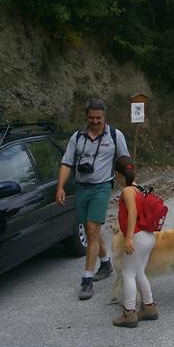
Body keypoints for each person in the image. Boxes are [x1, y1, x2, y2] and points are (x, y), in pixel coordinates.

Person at [56, 98, 130, 301]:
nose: (95, 121)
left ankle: (87, 280)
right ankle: (105, 263)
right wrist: (61, 186)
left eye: (99, 118)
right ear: (86, 117)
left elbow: (125, 163)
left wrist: (129, 190)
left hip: (102, 187)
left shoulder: (115, 135)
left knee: (91, 230)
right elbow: (66, 162)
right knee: (92, 234)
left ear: (104, 117)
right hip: (81, 188)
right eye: (91, 118)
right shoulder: (77, 137)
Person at [112, 156, 158, 328]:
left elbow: (132, 212)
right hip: (148, 236)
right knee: (139, 272)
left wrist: (129, 238)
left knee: (128, 273)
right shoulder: (138, 187)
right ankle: (149, 307)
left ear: (117, 173)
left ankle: (129, 312)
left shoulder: (127, 191)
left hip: (138, 237)